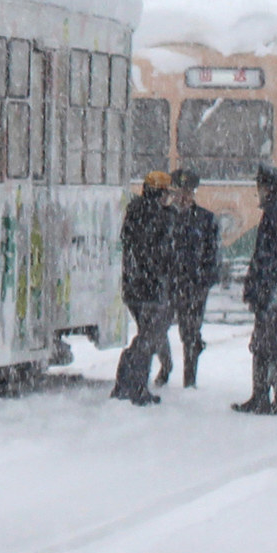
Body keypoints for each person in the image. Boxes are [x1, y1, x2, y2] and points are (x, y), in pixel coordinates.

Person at [234, 162, 277, 415]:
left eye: (260, 187)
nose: (258, 192)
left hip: (272, 290)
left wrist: (268, 287)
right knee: (264, 343)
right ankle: (262, 396)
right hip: (271, 289)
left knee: (269, 344)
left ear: (270, 188)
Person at [111, 168, 178, 405]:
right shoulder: (160, 217)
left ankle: (125, 384)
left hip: (134, 288)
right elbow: (163, 255)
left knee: (145, 336)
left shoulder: (134, 211)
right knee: (148, 338)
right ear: (159, 193)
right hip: (151, 289)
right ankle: (135, 386)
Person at [170, 180, 222, 388]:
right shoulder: (166, 216)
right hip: (169, 282)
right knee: (156, 330)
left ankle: (189, 379)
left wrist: (204, 281)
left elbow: (213, 254)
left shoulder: (205, 219)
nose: (182, 197)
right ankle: (165, 368)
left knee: (189, 331)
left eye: (187, 192)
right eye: (178, 192)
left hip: (193, 284)